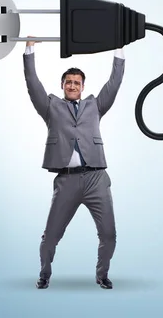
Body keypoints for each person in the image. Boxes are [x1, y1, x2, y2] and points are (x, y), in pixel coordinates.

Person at [22, 36, 125, 290]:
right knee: (50, 237)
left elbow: (114, 83)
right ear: (62, 85)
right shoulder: (50, 107)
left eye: (76, 82)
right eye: (68, 82)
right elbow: (32, 83)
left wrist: (118, 48)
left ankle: (102, 275)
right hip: (66, 180)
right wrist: (29, 49)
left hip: (95, 179)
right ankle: (44, 274)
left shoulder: (95, 105)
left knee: (109, 234)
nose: (72, 85)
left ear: (82, 86)